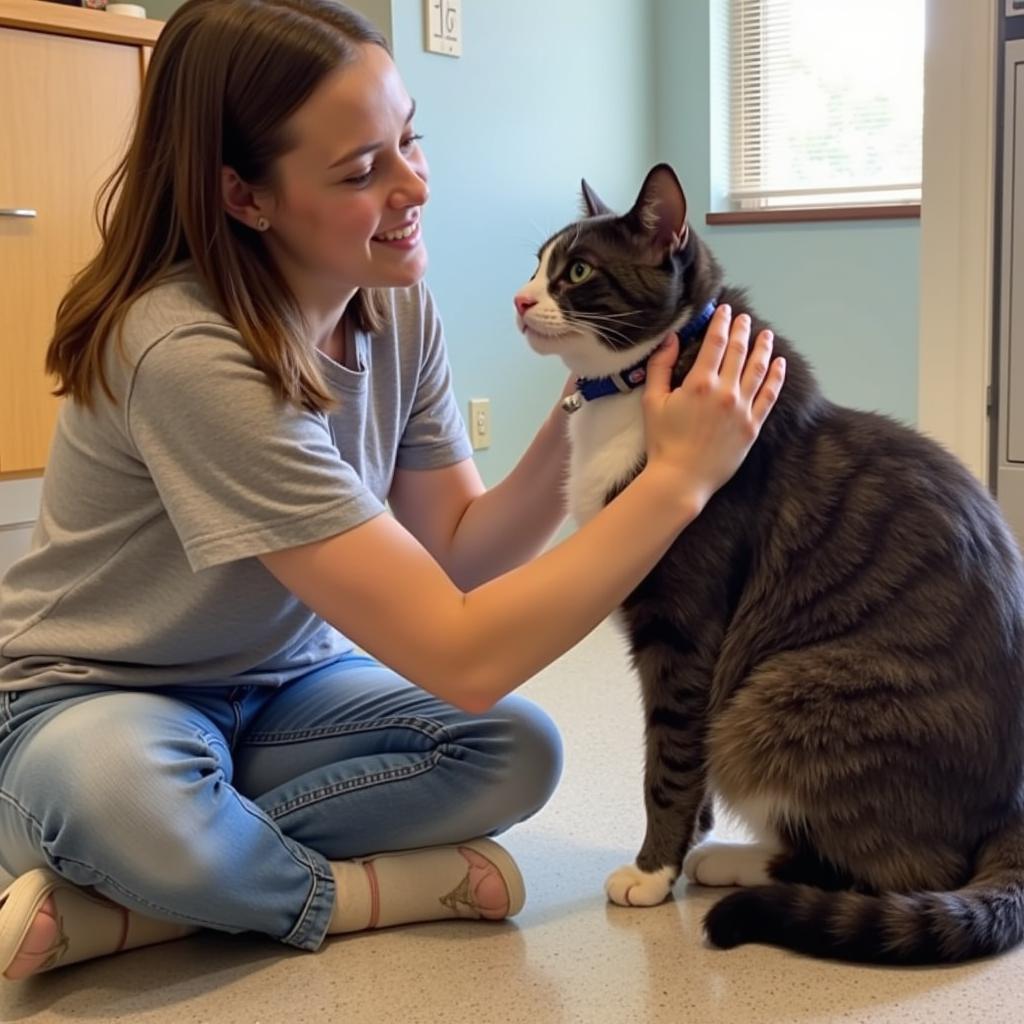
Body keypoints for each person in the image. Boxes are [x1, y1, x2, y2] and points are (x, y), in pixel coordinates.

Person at [0, 0, 784, 982]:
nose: (412, 182)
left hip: (286, 687)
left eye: (408, 137)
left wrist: (599, 391)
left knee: (516, 748)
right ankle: (337, 889)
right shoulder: (185, 350)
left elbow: (457, 545)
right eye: (361, 169)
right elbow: (459, 652)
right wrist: (677, 481)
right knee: (124, 805)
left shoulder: (394, 305)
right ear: (245, 196)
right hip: (99, 697)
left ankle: (141, 895)